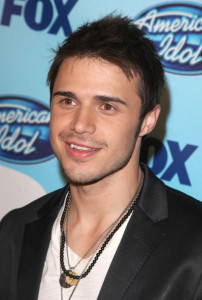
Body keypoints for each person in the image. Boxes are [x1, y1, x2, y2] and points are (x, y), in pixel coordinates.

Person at [0, 15, 202, 300]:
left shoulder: (195, 245)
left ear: (147, 120)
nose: (80, 124)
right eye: (68, 101)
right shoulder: (15, 230)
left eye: (106, 106)